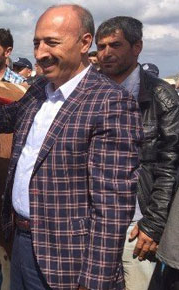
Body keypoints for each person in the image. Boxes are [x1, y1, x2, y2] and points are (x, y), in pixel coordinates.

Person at [0, 4, 142, 289]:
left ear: (85, 43)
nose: (40, 53)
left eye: (52, 42)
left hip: (66, 259)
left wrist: (94, 280)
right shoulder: (38, 91)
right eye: (37, 43)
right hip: (20, 242)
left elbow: (111, 208)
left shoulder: (110, 103)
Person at [96, 16, 179, 290]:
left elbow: (170, 167)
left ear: (137, 47)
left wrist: (153, 225)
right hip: (91, 220)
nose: (106, 53)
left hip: (136, 227)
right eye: (101, 46)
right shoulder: (88, 92)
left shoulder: (162, 97)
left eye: (115, 45)